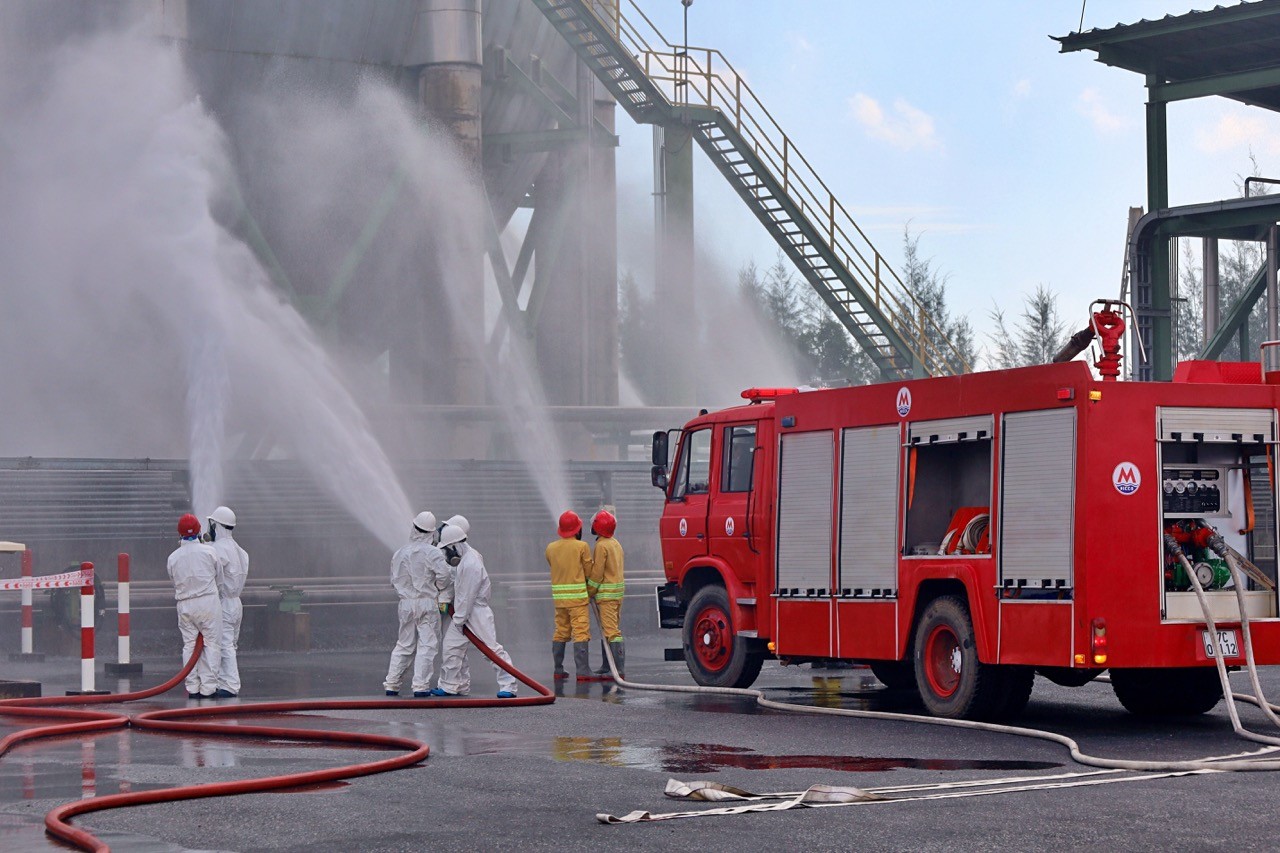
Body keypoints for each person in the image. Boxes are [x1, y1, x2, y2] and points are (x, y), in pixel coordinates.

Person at [432, 523, 518, 698]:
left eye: (447, 549)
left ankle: (509, 686)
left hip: (476, 613)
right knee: (451, 647)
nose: (446, 554)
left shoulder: (470, 563)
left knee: (491, 651)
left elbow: (467, 596)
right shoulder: (465, 559)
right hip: (463, 613)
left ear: (455, 546)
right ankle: (450, 685)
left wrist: (458, 620)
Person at [383, 511, 450, 698]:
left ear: (414, 528)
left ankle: (392, 684)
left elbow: (393, 580)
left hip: (405, 604)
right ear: (432, 532)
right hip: (426, 603)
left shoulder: (399, 553)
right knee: (427, 645)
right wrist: (439, 589)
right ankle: (420, 686)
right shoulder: (433, 553)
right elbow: (444, 577)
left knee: (404, 644)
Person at [166, 513, 223, 699]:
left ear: (179, 533)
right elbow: (220, 578)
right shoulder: (210, 552)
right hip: (208, 602)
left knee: (189, 645)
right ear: (199, 531)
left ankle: (192, 688)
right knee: (211, 644)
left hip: (184, 605)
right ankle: (208, 688)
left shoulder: (173, 558)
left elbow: (174, 581)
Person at [545, 510, 594, 680]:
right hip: (578, 600)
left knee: (560, 631)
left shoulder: (551, 548)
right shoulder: (582, 547)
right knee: (580, 633)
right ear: (577, 529)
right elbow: (589, 571)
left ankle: (558, 669)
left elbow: (553, 565)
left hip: (560, 600)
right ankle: (583, 671)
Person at [206, 505, 249, 699]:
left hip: (223, 603)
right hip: (236, 603)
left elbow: (211, 575)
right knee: (231, 643)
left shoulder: (216, 550)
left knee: (224, 645)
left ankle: (230, 685)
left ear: (217, 525)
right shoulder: (240, 550)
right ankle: (224, 681)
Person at [589, 508, 626, 679]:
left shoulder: (601, 546)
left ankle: (618, 669)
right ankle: (607, 665)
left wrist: (590, 590)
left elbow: (597, 573)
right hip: (617, 594)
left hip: (606, 596)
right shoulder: (615, 543)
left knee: (611, 632)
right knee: (608, 630)